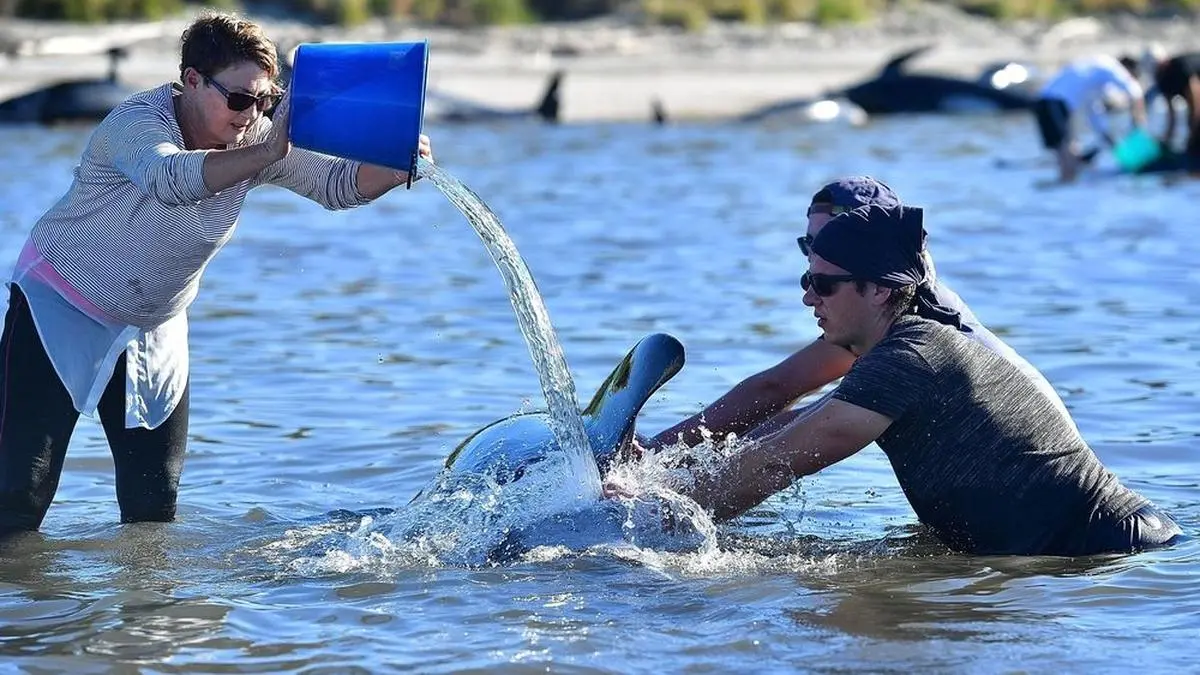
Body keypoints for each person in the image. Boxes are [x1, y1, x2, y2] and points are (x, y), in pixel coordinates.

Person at [0, 12, 434, 533]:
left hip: (155, 324)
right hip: (62, 303)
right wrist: (265, 151)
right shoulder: (134, 124)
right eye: (239, 99)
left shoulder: (254, 137)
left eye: (265, 100)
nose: (251, 113)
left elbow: (335, 186)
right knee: (18, 497)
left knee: (153, 509)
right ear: (190, 81)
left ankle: (148, 612)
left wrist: (392, 167)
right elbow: (171, 178)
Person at [676, 203, 1181, 556]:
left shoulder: (912, 355)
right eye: (807, 281)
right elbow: (794, 427)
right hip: (1077, 551)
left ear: (878, 291)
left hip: (1112, 552)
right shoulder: (898, 350)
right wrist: (670, 474)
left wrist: (660, 519)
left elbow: (773, 465)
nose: (810, 298)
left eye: (824, 284)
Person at [652, 176, 1071, 450]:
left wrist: (666, 465)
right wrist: (664, 454)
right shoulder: (883, 309)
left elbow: (790, 403)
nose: (817, 257)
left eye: (831, 241)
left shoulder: (915, 324)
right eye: (809, 245)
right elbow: (780, 389)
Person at [1033, 54, 1147, 183]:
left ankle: (1066, 185)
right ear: (1127, 70)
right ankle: (1067, 186)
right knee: (1066, 148)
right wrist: (1138, 125)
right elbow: (1135, 91)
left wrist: (1114, 145)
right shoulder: (1110, 66)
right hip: (1054, 101)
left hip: (1044, 100)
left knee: (1065, 150)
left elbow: (1095, 115)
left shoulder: (1095, 77)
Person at [1143, 47, 1200, 174]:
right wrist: (1166, 140)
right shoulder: (1161, 80)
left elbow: (1196, 105)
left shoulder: (1181, 67)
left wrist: (1192, 135)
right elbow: (1171, 115)